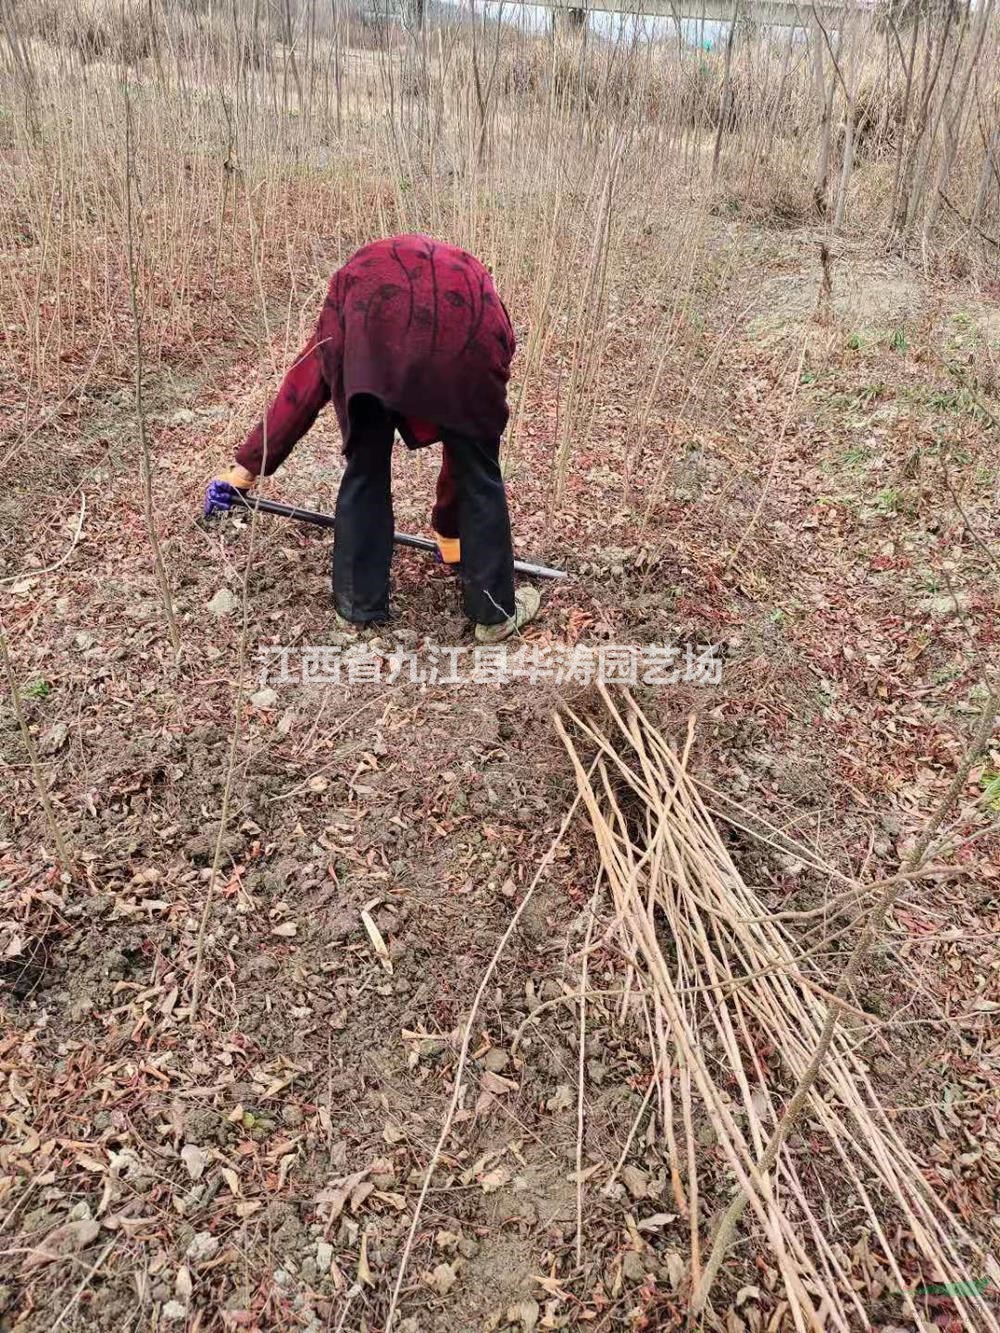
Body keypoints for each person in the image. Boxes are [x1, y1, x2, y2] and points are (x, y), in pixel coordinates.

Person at [204, 235, 540, 644]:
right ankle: (494, 614)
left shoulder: (353, 286)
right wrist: (451, 534)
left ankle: (356, 608)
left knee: (365, 467)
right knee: (479, 470)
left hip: (374, 343)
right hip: (464, 341)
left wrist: (247, 468)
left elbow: (308, 380)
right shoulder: (483, 307)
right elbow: (469, 446)